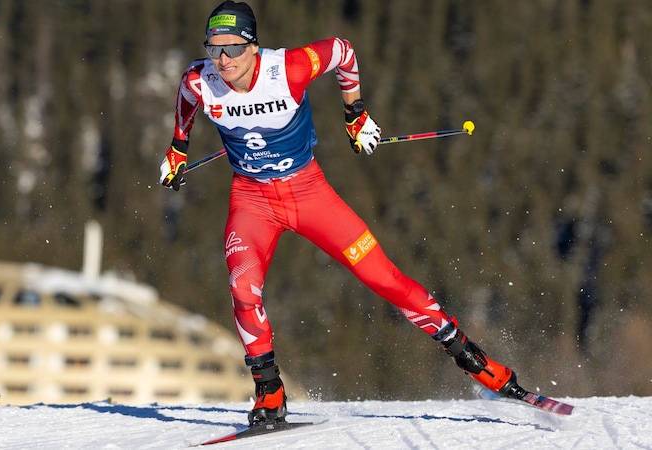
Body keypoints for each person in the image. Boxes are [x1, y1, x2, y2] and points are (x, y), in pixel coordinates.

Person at [159, 0, 525, 425]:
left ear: (254, 47)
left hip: (308, 192)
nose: (223, 60)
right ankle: (269, 392)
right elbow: (186, 100)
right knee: (243, 290)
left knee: (383, 278)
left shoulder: (289, 69)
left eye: (233, 49)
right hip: (252, 200)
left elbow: (343, 51)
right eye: (213, 49)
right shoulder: (199, 80)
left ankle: (476, 363)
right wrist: (177, 148)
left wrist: (356, 113)